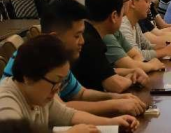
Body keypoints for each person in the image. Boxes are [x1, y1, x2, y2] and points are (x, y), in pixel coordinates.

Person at [2, 0, 146, 116]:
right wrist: (115, 105)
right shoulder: (34, 59)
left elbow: (80, 94)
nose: (82, 41)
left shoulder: (58, 59)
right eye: (77, 36)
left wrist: (116, 97)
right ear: (55, 38)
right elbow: (62, 109)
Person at [0, 35, 139, 132]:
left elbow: (68, 115)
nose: (57, 89)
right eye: (55, 81)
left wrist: (112, 122)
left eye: (60, 82)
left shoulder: (38, 96)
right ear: (28, 77)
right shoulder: (6, 104)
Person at [71, 0, 149, 93]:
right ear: (114, 16)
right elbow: (115, 85)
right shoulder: (91, 42)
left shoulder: (90, 31)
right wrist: (131, 78)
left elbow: (105, 71)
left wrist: (132, 71)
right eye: (122, 14)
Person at [99, 0, 167, 73]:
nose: (149, 4)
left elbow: (136, 55)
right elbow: (127, 64)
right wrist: (150, 66)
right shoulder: (113, 29)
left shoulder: (120, 27)